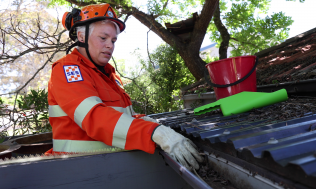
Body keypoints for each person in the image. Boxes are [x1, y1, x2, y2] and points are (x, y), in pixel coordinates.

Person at [45, 3, 203, 170]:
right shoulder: (68, 70)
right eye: (103, 38)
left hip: (110, 167)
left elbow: (123, 118)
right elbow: (95, 118)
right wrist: (156, 133)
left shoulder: (110, 76)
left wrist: (148, 123)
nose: (110, 45)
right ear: (82, 37)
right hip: (76, 170)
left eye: (113, 40)